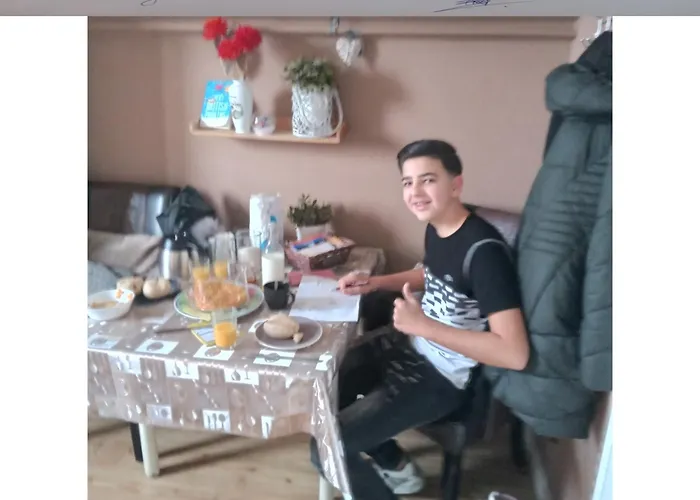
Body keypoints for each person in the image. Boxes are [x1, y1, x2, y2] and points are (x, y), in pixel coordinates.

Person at [309, 139, 530, 500]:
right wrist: (376, 283)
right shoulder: (438, 226)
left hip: (441, 378)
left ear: (455, 185)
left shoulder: (485, 254)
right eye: (408, 182)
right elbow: (432, 274)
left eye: (428, 180)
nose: (415, 193)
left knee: (326, 449)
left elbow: (514, 353)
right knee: (321, 395)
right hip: (410, 344)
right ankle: (395, 465)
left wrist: (423, 326)